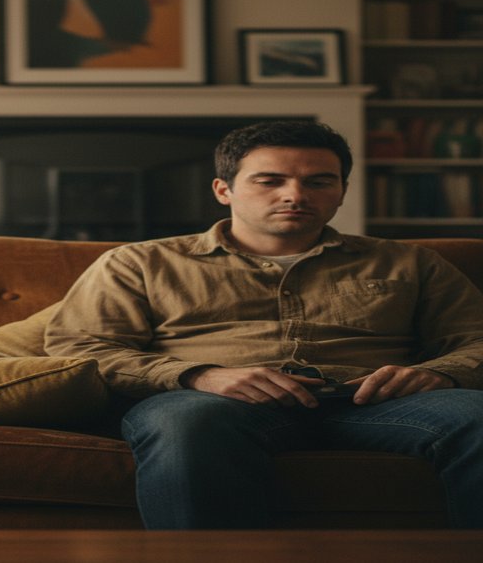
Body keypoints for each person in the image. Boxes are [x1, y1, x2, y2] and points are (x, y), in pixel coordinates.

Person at [44, 120, 483, 529]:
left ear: (342, 191)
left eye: (319, 182)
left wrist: (440, 373)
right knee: (185, 424)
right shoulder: (139, 263)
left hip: (374, 403)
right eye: (270, 181)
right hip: (213, 404)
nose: (295, 195)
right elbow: (79, 348)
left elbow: (474, 339)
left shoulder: (411, 262)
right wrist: (200, 375)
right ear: (224, 189)